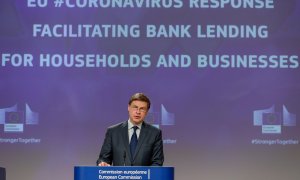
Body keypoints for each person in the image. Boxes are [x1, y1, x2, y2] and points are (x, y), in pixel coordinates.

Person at [96, 93, 164, 166]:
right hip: (119, 177)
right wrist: (103, 163)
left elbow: (157, 162)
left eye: (142, 109)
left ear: (147, 112)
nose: (138, 112)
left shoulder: (155, 133)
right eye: (135, 107)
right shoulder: (113, 131)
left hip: (144, 177)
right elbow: (103, 158)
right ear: (128, 107)